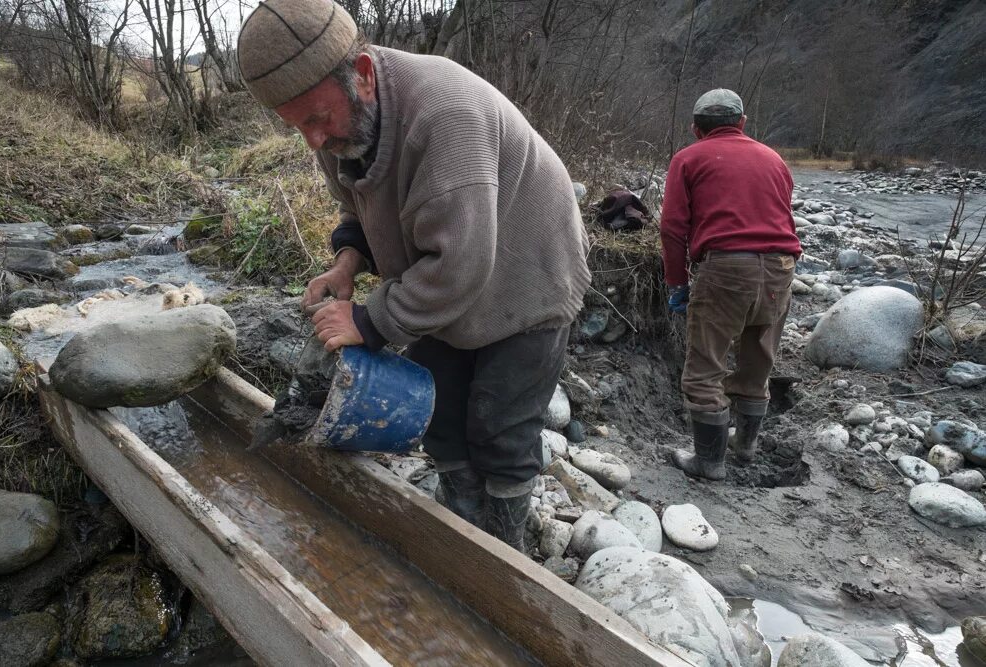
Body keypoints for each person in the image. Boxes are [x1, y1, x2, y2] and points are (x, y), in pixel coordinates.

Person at [236, 0, 590, 552]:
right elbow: (357, 210)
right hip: (447, 267)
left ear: (363, 76)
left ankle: (506, 549)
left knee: (498, 427)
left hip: (529, 271)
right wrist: (346, 263)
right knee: (441, 415)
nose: (312, 141)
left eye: (316, 119)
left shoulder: (445, 115)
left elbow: (461, 265)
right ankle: (464, 528)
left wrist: (369, 322)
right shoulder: (340, 129)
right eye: (295, 125)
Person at [659, 89, 802, 481]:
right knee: (758, 360)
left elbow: (673, 229)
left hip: (725, 269)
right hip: (780, 268)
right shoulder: (774, 159)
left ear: (695, 128)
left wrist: (677, 284)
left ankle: (709, 462)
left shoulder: (688, 159)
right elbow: (783, 216)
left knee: (705, 368)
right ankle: (745, 446)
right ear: (741, 124)